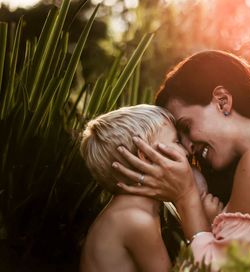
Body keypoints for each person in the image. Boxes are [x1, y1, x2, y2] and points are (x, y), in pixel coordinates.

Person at [111, 50, 250, 268]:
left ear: (222, 101)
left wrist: (185, 197)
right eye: (179, 139)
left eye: (186, 127)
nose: (188, 147)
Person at [79, 104, 222, 272]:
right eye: (176, 141)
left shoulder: (134, 211)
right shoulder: (137, 220)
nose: (186, 151)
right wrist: (211, 225)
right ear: (146, 156)